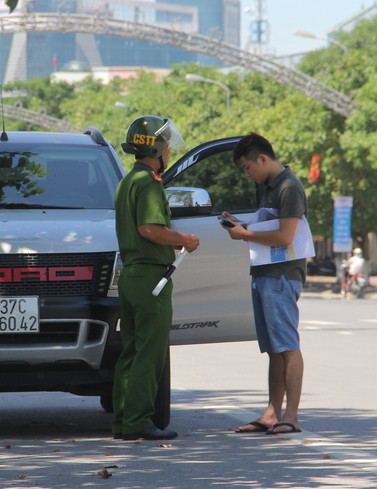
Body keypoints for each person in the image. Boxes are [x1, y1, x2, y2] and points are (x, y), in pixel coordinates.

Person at [112, 115, 200, 441]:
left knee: (132, 351)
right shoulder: (149, 182)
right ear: (156, 147)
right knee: (150, 353)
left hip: (132, 275)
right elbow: (149, 229)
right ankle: (138, 421)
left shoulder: (127, 181)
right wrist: (184, 240)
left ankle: (123, 421)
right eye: (165, 145)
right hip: (151, 277)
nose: (168, 151)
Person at [220, 132, 307, 435]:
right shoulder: (266, 186)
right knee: (273, 349)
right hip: (263, 272)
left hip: (281, 276)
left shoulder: (289, 186)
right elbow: (269, 227)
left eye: (247, 168)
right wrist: (244, 227)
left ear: (262, 158)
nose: (247, 175)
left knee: (288, 347)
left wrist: (245, 235)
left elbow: (285, 236)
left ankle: (291, 416)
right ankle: (272, 412)